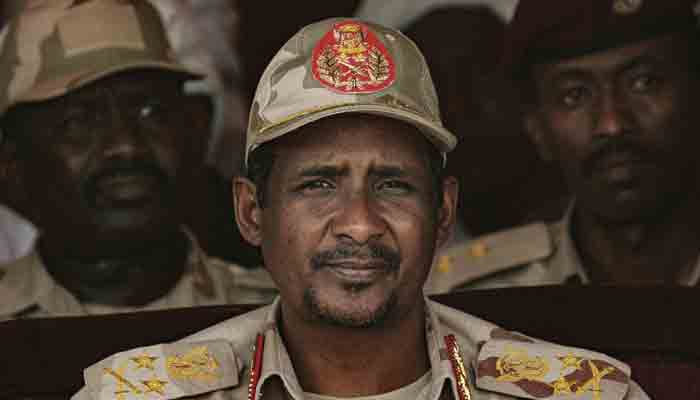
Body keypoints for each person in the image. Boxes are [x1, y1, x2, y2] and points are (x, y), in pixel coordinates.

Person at [72, 18, 648, 400]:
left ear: (444, 213)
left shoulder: (580, 393)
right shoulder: (136, 396)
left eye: (393, 185)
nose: (359, 223)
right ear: (251, 213)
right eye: (318, 184)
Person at [0, 0, 276, 319]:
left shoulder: (280, 318)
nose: (126, 146)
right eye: (77, 123)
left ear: (195, 132)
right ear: (11, 164)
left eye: (150, 111)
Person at [425, 0, 700, 293]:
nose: (612, 124)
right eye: (574, 95)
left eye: (643, 83)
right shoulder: (467, 295)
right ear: (537, 129)